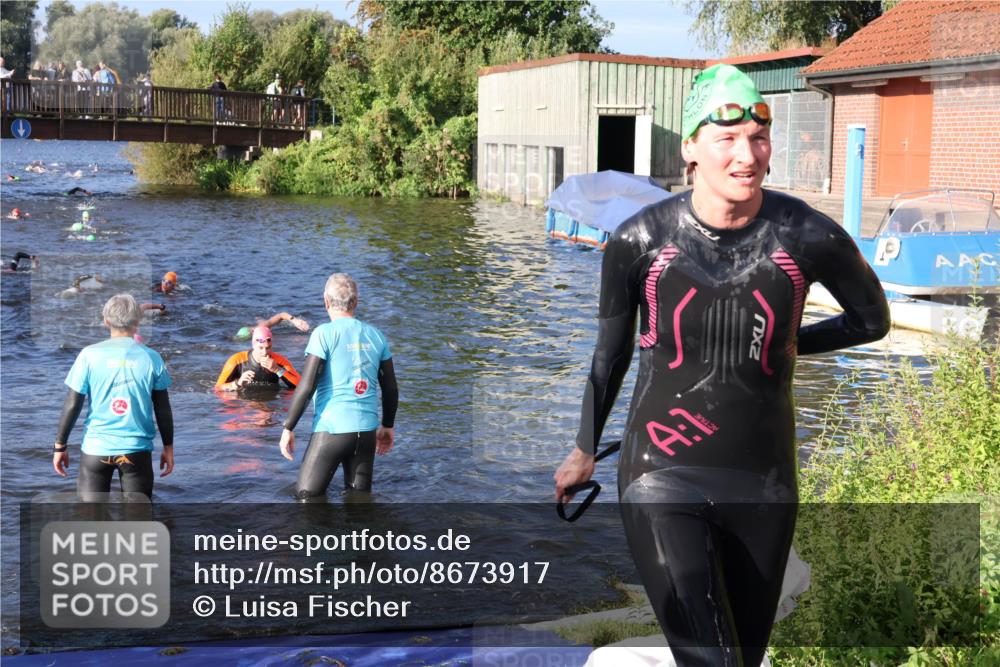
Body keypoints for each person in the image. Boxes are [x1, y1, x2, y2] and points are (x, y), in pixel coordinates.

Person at [553, 64, 890, 667]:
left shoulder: (808, 236)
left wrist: (784, 344)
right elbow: (612, 355)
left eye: (759, 137)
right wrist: (584, 448)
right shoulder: (639, 241)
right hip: (660, 471)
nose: (747, 154)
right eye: (727, 137)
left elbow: (871, 322)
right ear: (690, 148)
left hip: (764, 479)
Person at [279, 273, 398, 498]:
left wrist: (288, 427)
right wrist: (388, 426)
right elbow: (390, 388)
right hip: (366, 432)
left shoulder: (323, 334)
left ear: (326, 301)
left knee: (306, 498)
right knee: (359, 501)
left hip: (331, 430)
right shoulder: (376, 336)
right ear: (356, 301)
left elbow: (307, 386)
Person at [52, 294, 174, 499]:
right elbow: (162, 409)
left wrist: (60, 446)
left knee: (91, 515)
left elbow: (73, 404)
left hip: (96, 449)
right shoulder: (152, 357)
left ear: (106, 320)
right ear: (138, 321)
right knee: (138, 515)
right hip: (136, 451)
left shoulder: (88, 355)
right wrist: (168, 448)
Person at [215, 325, 301, 391]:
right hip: (245, 404)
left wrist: (277, 370)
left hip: (269, 403)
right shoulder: (237, 360)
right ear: (253, 345)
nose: (265, 352)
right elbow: (218, 388)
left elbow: (301, 386)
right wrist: (238, 383)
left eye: (268, 348)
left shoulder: (279, 361)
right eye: (260, 348)